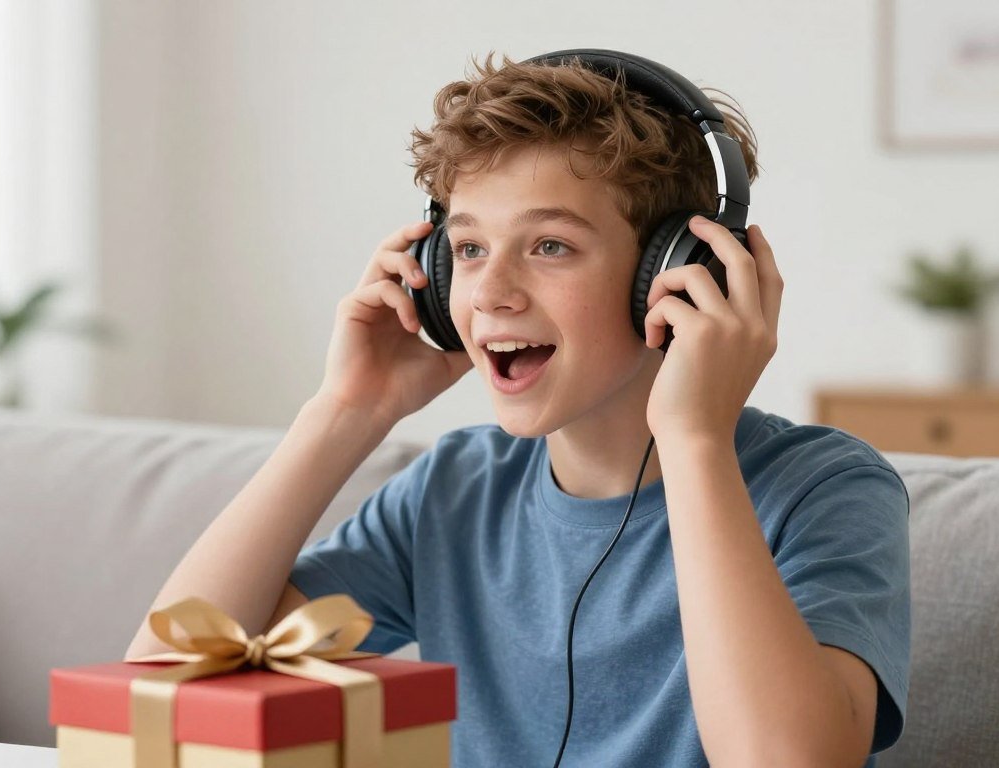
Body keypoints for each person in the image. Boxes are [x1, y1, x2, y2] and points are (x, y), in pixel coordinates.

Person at [126, 50, 910, 768]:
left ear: (678, 273)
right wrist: (343, 413)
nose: (492, 293)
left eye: (549, 247)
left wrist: (695, 439)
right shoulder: (456, 490)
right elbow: (166, 691)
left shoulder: (824, 488)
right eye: (467, 250)